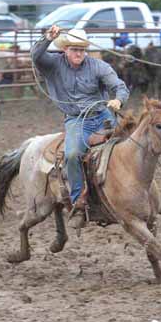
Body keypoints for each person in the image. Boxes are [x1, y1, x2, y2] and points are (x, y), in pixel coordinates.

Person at [31, 25, 130, 225]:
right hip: (77, 119)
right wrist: (47, 38)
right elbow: (36, 56)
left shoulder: (98, 66)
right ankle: (78, 202)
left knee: (131, 143)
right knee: (73, 154)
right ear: (65, 49)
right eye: (74, 49)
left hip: (102, 114)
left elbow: (119, 86)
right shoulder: (53, 64)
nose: (78, 53)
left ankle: (134, 192)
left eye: (82, 49)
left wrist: (118, 100)